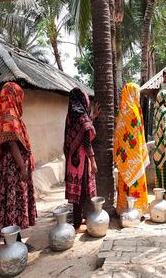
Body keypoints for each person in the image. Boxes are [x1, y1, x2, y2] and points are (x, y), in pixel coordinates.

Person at [0, 82, 37, 243]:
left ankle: (13, 240)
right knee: (13, 202)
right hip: (14, 167)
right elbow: (12, 143)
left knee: (10, 202)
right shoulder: (10, 114)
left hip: (8, 166)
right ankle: (13, 242)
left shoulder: (1, 112)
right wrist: (22, 168)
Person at [64, 87, 100, 233]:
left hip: (72, 161)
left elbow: (82, 127)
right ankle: (77, 224)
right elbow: (86, 141)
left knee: (76, 192)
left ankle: (78, 220)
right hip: (82, 160)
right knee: (82, 191)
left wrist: (93, 117)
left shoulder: (71, 115)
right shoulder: (82, 118)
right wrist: (93, 161)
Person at [114, 83, 149, 215]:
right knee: (136, 181)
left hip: (124, 157)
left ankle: (123, 209)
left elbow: (117, 136)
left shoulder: (121, 111)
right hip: (135, 156)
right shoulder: (134, 110)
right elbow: (138, 134)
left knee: (124, 181)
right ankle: (137, 210)